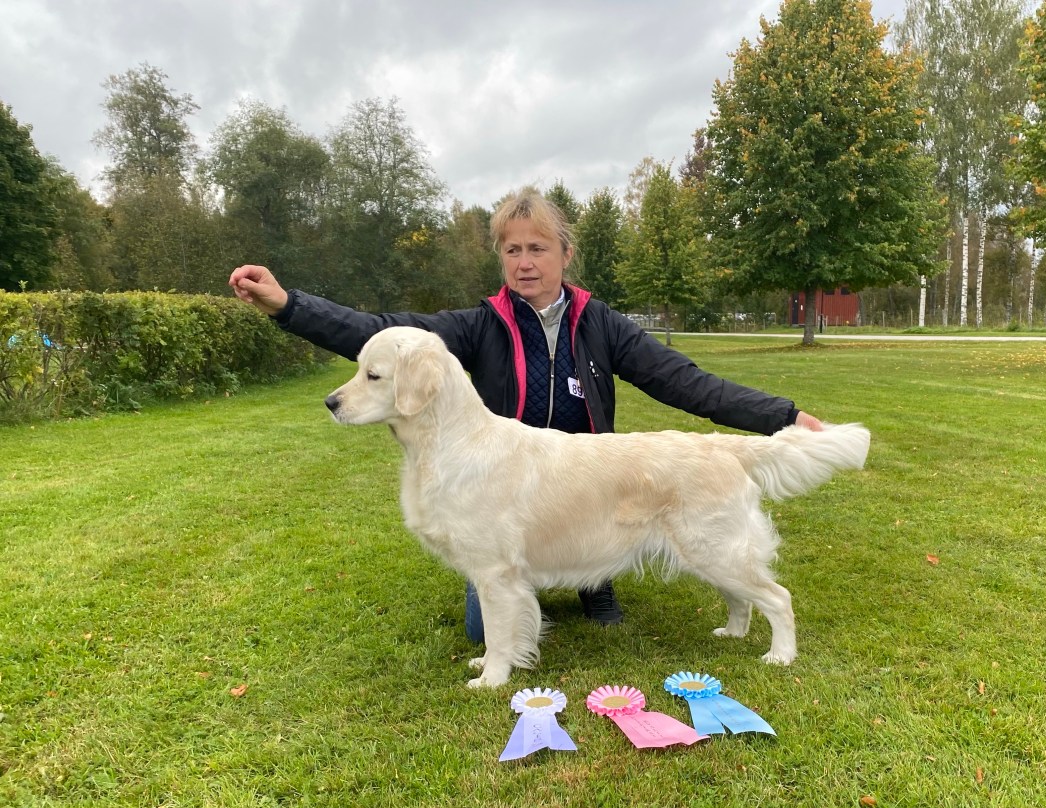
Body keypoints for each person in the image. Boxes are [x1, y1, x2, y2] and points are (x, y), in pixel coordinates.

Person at [229, 187, 823, 643]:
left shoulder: (603, 325)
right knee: (483, 630)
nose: (524, 261)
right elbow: (381, 333)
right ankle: (541, 584)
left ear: (565, 253)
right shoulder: (477, 325)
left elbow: (686, 384)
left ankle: (597, 578)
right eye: (512, 249)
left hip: (601, 492)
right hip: (505, 499)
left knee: (607, 559)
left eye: (537, 247)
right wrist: (288, 305)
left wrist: (783, 415)